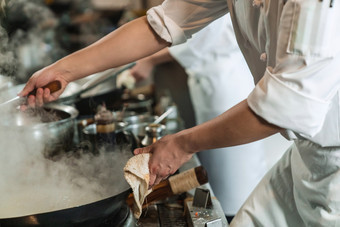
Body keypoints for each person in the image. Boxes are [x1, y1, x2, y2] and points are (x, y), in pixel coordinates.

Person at [19, 0, 340, 226]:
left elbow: (287, 105)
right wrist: (65, 69)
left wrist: (180, 145)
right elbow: (162, 24)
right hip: (305, 156)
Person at [129, 14, 288, 221]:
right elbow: (176, 17)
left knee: (233, 180)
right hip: (210, 83)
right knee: (216, 175)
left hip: (226, 86)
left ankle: (231, 217)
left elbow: (201, 40)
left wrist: (149, 59)